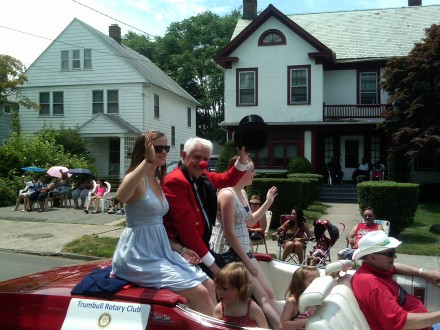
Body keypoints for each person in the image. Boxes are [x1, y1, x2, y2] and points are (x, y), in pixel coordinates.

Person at [111, 131, 216, 317]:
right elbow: (121, 196)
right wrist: (148, 161)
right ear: (145, 150)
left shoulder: (157, 181)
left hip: (161, 251)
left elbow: (156, 229)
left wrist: (181, 249)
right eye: (158, 148)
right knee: (200, 293)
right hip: (138, 256)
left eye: (166, 147)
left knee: (210, 285)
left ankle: (217, 325)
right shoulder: (137, 179)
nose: (164, 152)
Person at [210, 156, 282, 329]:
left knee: (270, 293)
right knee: (263, 296)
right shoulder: (227, 194)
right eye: (251, 170)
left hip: (243, 250)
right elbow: (229, 232)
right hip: (230, 252)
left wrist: (268, 202)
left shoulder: (241, 193)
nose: (254, 174)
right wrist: (248, 263)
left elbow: (249, 221)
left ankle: (285, 325)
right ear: (241, 171)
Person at [163, 137, 250, 278]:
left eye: (206, 158)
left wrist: (243, 159)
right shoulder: (176, 181)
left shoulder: (201, 175)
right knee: (226, 280)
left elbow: (227, 179)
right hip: (185, 249)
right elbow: (188, 232)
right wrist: (214, 267)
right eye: (197, 157)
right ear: (184, 156)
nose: (202, 163)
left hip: (201, 246)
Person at [352, 231, 440, 330]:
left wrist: (424, 272)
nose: (395, 256)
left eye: (394, 251)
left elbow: (395, 267)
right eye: (390, 253)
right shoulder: (374, 286)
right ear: (372, 257)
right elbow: (399, 323)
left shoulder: (376, 269)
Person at [213, 262, 268, 328]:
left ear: (241, 289)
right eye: (218, 288)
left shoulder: (252, 309)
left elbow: (264, 328)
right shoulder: (219, 309)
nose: (219, 292)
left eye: (225, 289)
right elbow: (214, 328)